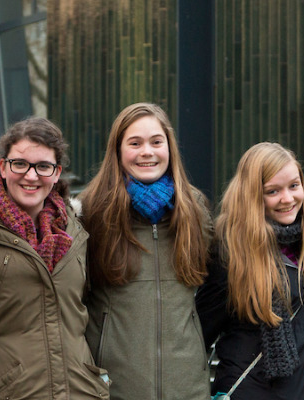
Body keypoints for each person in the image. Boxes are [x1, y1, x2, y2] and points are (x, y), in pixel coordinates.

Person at [0, 117, 110, 399]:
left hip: (79, 391)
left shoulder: (76, 232)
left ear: (57, 173)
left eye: (43, 166)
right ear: (3, 168)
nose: (31, 176)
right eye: (20, 164)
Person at [79, 103, 211, 399]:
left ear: (169, 147)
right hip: (114, 388)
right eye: (134, 143)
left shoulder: (196, 211)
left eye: (156, 142)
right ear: (118, 150)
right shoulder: (90, 212)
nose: (147, 152)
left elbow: (215, 291)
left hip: (187, 388)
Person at [197, 142, 304, 399]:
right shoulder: (230, 256)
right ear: (252, 195)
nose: (287, 199)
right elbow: (198, 335)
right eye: (272, 191)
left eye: (294, 186)